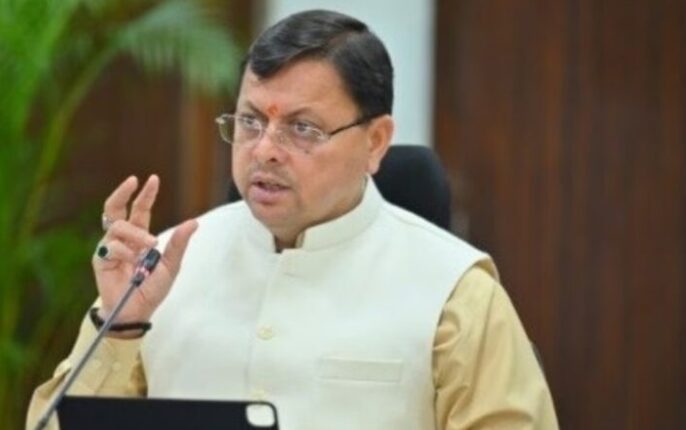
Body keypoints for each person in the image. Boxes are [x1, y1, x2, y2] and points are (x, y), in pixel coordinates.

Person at [27, 9, 558, 430]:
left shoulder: (456, 292)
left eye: (303, 129)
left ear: (375, 142)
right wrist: (120, 326)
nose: (264, 150)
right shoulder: (161, 268)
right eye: (251, 121)